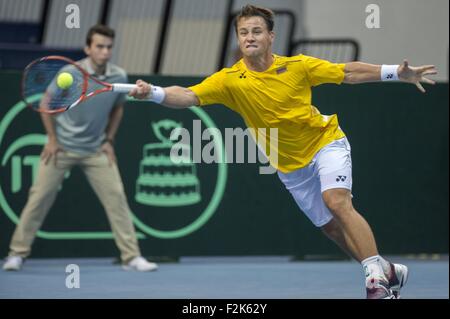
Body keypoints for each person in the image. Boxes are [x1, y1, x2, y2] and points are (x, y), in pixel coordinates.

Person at [129, 5, 437, 298]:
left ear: (270, 37)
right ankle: (388, 272)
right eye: (243, 33)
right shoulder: (229, 81)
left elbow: (348, 72)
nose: (249, 37)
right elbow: (187, 95)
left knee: (336, 201)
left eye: (256, 31)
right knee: (331, 228)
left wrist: (396, 72)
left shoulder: (297, 66)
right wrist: (154, 93)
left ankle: (375, 281)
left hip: (325, 142)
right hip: (290, 166)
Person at [3, 24, 158, 272]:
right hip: (62, 148)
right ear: (88, 48)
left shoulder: (118, 75)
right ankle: (16, 254)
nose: (105, 52)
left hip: (95, 150)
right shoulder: (70, 73)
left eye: (109, 47)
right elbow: (46, 102)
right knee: (38, 198)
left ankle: (131, 257)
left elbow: (118, 108)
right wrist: (52, 139)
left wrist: (109, 139)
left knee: (117, 198)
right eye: (99, 46)